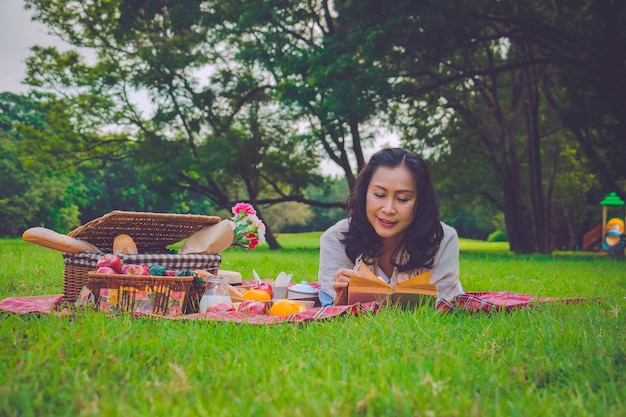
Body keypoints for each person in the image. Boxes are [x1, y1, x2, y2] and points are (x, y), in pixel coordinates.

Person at [317, 147, 464, 307]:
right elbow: (331, 311)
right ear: (364, 193)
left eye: (402, 199)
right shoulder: (336, 239)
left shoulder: (442, 240)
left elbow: (443, 307)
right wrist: (340, 300)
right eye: (379, 195)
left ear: (420, 201)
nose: (388, 209)